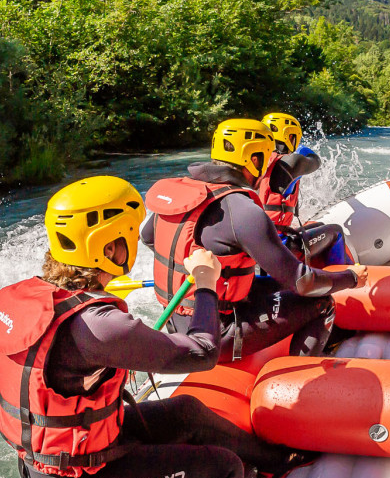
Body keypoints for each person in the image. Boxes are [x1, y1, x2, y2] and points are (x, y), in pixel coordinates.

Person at [0, 176, 299, 478]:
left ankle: (278, 461)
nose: (135, 243)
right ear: (109, 246)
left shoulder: (35, 296)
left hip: (56, 463)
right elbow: (202, 352)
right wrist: (205, 281)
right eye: (130, 235)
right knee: (224, 469)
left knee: (186, 413)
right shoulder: (98, 325)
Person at [143, 118, 366, 363]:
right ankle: (301, 378)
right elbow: (303, 282)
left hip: (176, 321)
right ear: (254, 158)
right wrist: (352, 278)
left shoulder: (184, 194)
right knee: (322, 303)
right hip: (215, 334)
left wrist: (217, 274)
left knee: (272, 284)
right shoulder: (243, 210)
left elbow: (148, 238)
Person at [258, 112, 351, 267]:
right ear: (290, 137)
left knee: (320, 225)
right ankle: (342, 277)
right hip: (279, 246)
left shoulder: (255, 164)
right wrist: (301, 149)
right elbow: (315, 161)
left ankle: (315, 271)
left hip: (259, 242)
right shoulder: (291, 164)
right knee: (336, 231)